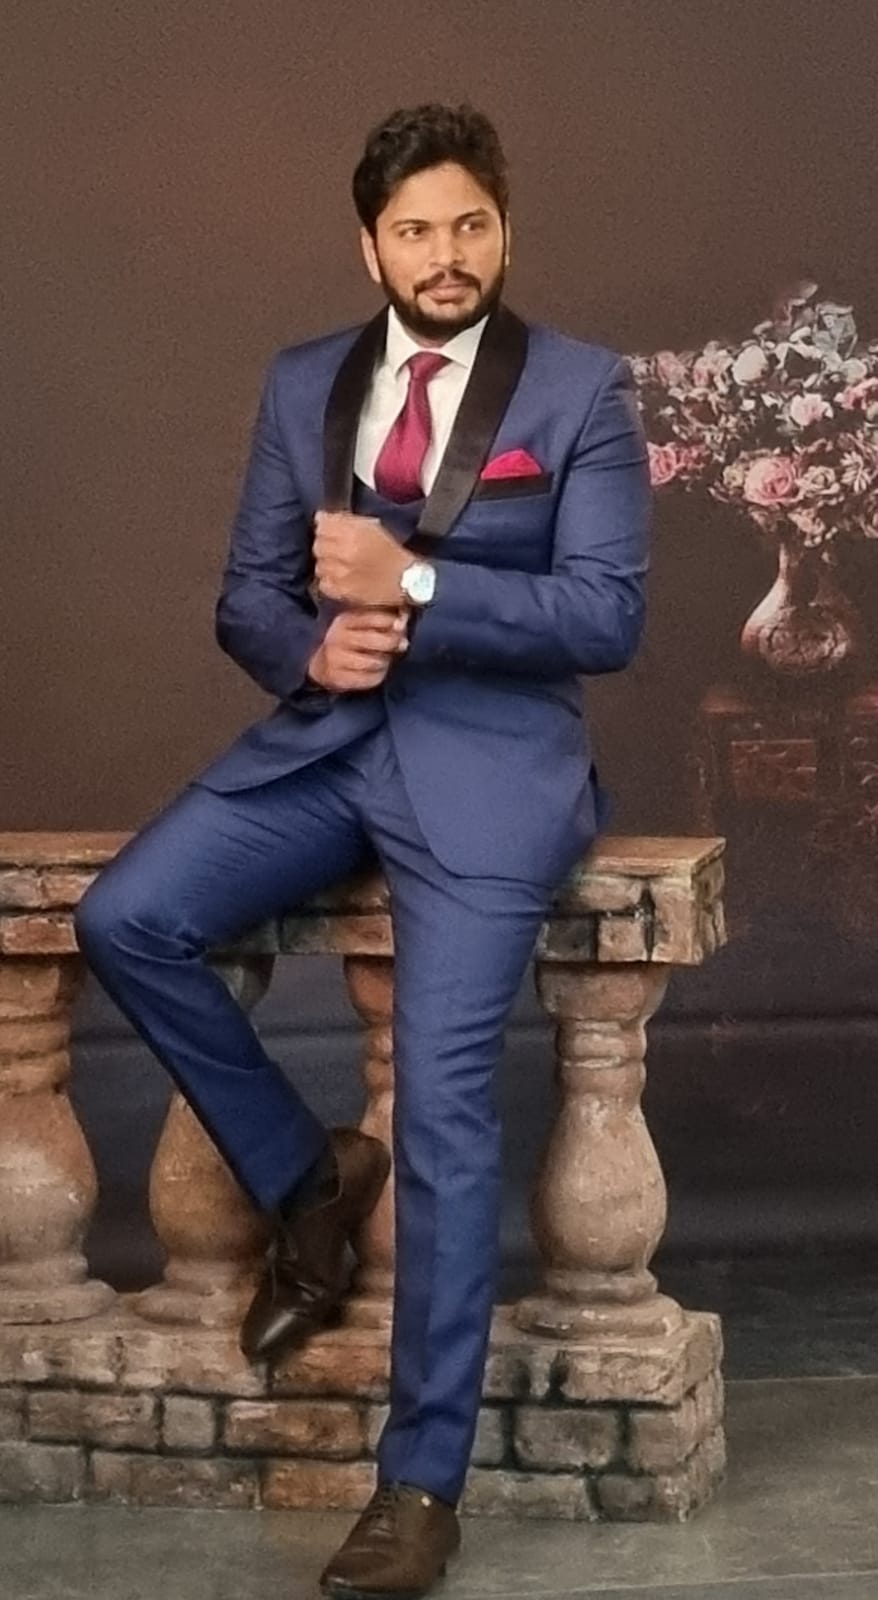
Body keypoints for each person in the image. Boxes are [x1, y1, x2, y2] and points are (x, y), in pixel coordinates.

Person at [76, 101, 650, 1600]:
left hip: (492, 768)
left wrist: (418, 581)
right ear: (370, 247)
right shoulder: (302, 383)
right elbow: (247, 595)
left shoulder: (580, 388)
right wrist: (308, 653)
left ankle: (420, 1482)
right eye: (414, 231)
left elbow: (606, 615)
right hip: (330, 744)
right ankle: (306, 1181)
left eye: (469, 225)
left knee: (446, 1108)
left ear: (503, 229)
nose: (445, 254)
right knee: (129, 918)